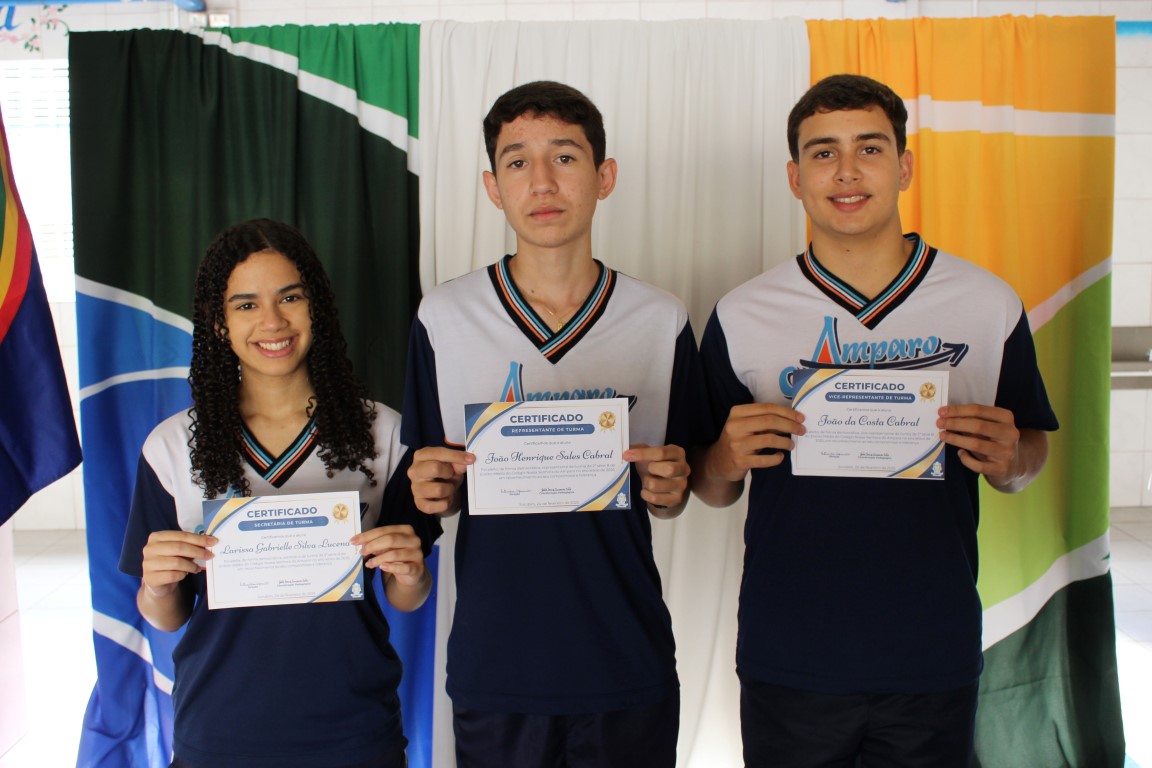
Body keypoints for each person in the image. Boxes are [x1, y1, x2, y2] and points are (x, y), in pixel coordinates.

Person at [690, 74, 1059, 767]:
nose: (847, 171)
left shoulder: (986, 303)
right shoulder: (742, 314)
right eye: (823, 153)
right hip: (790, 653)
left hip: (932, 649)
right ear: (795, 177)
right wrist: (724, 459)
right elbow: (710, 487)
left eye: (869, 148)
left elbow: (1028, 456)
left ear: (904, 166)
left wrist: (1013, 459)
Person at [402, 81, 709, 767]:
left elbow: (679, 485)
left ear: (605, 177)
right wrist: (432, 491)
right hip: (497, 663)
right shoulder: (443, 317)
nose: (542, 181)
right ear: (492, 187)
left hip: (624, 658)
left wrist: (671, 489)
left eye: (565, 157)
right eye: (517, 162)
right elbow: (430, 491)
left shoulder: (660, 319)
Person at [119, 219, 439, 768]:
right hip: (219, 733)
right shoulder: (171, 447)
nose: (272, 321)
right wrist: (156, 583)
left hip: (356, 731)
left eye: (290, 297)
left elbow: (406, 596)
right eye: (246, 305)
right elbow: (166, 617)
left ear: (317, 307)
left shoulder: (385, 434)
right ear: (218, 322)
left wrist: (412, 574)